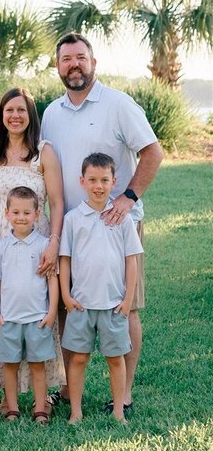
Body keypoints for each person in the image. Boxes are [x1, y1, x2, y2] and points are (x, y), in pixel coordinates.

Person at [41, 32, 163, 413]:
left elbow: (153, 152)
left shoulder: (118, 104)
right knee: (68, 307)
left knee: (125, 308)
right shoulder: (51, 113)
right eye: (66, 59)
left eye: (80, 57)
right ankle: (67, 389)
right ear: (58, 66)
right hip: (71, 228)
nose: (74, 65)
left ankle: (123, 394)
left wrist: (128, 198)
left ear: (93, 62)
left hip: (116, 224)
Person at [0, 87, 65, 405]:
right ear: (1, 115)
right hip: (0, 245)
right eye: (9, 110)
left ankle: (41, 394)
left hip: (36, 244)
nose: (15, 115)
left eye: (21, 110)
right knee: (3, 314)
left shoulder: (44, 152)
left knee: (35, 312)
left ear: (30, 115)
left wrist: (53, 244)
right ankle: (8, 391)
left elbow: (57, 202)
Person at [59, 153, 143, 424]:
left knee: (116, 359)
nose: (98, 186)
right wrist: (66, 295)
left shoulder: (122, 218)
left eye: (104, 180)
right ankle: (76, 411)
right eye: (92, 180)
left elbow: (131, 261)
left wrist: (128, 298)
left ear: (114, 182)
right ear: (82, 181)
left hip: (113, 304)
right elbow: (64, 260)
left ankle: (118, 411)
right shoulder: (73, 219)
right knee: (78, 359)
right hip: (81, 304)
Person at [0, 185, 59, 425]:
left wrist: (51, 311)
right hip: (9, 318)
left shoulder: (43, 245)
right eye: (16, 212)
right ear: (7, 213)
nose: (21, 217)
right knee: (10, 366)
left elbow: (52, 280)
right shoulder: (2, 247)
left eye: (27, 213)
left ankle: (40, 408)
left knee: (38, 365)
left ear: (37, 215)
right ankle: (12, 408)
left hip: (37, 317)